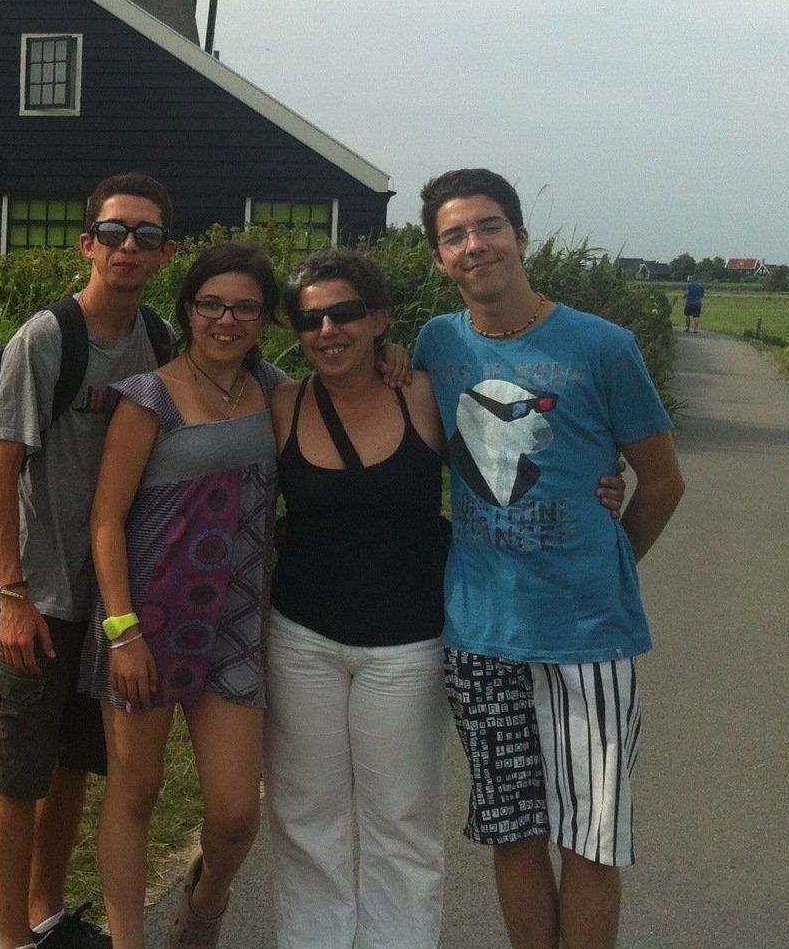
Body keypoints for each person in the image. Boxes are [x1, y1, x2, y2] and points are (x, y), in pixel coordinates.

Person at [262, 248, 624, 948]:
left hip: (409, 642)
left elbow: (513, 457)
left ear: (379, 319)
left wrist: (602, 486)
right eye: (309, 319)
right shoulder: (281, 403)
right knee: (306, 818)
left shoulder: (424, 393)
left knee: (401, 822)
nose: (327, 330)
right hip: (302, 638)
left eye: (344, 313)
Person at [413, 168, 685, 949]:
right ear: (439, 258)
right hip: (480, 635)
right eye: (455, 236)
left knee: (590, 839)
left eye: (488, 227)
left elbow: (663, 480)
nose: (474, 245)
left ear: (521, 237)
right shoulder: (436, 343)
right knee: (514, 832)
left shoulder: (604, 346)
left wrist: (611, 558)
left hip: (585, 636)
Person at [0, 173, 177, 949]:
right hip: (39, 594)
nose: (130, 247)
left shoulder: (158, 339)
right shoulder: (47, 337)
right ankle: (11, 938)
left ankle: (47, 912)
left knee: (71, 765)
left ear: (165, 253)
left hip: (108, 599)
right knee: (16, 772)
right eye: (115, 232)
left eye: (146, 236)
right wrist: (14, 595)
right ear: (86, 243)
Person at [84, 242, 286, 949]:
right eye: (212, 305)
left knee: (235, 812)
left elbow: (352, 395)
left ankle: (205, 901)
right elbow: (105, 518)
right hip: (148, 620)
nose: (227, 320)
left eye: (245, 308)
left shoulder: (277, 390)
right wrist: (122, 631)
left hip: (235, 623)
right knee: (135, 791)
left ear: (265, 318)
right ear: (188, 311)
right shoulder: (148, 396)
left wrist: (390, 358)